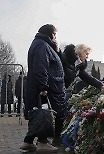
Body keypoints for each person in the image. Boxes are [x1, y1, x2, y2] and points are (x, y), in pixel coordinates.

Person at [20, 24, 67, 153]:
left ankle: (28, 141)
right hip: (45, 89)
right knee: (44, 115)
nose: (56, 37)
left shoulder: (42, 44)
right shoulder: (42, 45)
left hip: (44, 87)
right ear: (51, 34)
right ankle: (42, 142)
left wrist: (57, 50)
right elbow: (41, 66)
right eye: (55, 35)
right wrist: (43, 86)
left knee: (39, 113)